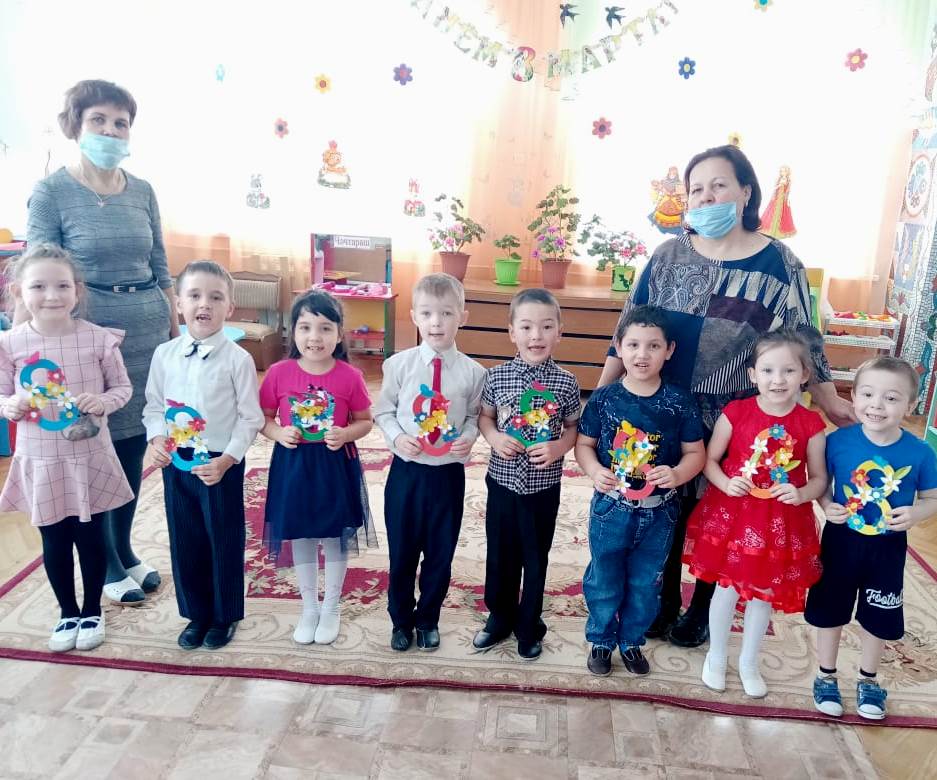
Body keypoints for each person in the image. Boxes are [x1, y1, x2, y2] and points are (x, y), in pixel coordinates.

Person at [598, 144, 854, 648]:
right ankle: (662, 601)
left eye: (718, 185)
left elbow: (804, 338)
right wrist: (604, 394)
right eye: (696, 189)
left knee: (723, 509)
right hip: (663, 406)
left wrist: (827, 399)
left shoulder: (779, 263)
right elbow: (628, 327)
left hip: (735, 414)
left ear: (745, 192)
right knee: (664, 499)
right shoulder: (668, 255)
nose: (706, 196)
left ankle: (702, 607)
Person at [25, 79, 179, 606]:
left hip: (147, 332)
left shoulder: (143, 190)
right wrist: (32, 347)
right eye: (99, 120)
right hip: (85, 340)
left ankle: (125, 549)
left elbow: (160, 264)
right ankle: (106, 562)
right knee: (96, 446)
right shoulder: (51, 193)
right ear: (76, 125)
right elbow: (39, 272)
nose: (111, 131)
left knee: (134, 443)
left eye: (120, 123)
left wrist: (173, 328)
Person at [0, 244, 135, 651]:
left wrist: (103, 402)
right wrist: (10, 405)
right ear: (19, 291)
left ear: (77, 290)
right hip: (41, 460)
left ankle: (92, 610)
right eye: (38, 286)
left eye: (62, 286)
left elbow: (122, 388)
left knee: (91, 538)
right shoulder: (10, 344)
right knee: (54, 541)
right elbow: (3, 394)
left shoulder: (97, 340)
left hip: (87, 457)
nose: (52, 295)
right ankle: (67, 612)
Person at [683, 330, 827, 697]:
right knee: (725, 590)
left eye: (788, 371)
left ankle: (749, 661)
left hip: (780, 523)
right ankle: (716, 656)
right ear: (753, 375)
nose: (778, 380)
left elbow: (819, 479)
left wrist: (801, 493)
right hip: (734, 517)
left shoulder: (811, 424)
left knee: (763, 594)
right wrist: (724, 482)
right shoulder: (736, 413)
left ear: (804, 374)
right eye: (768, 370)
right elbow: (710, 461)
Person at [806, 357, 937, 720]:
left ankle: (869, 679)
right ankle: (826, 675)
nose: (877, 405)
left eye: (891, 398)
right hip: (840, 541)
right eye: (867, 394)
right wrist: (826, 504)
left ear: (910, 405)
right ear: (853, 396)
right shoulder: (836, 442)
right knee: (830, 609)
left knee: (879, 614)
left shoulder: (920, 452)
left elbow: (932, 497)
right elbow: (820, 483)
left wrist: (916, 514)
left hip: (888, 547)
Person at [576, 305, 704, 676]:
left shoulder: (680, 402)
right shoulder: (604, 399)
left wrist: (677, 473)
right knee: (604, 576)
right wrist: (595, 470)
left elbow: (696, 453)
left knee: (646, 581)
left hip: (659, 511)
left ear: (669, 350)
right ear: (618, 347)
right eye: (633, 345)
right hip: (610, 508)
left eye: (653, 346)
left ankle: (632, 641)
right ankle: (601, 640)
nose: (642, 354)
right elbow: (583, 445)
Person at [143, 261, 263, 650]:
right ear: (179, 304)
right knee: (185, 536)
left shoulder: (238, 359)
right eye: (194, 295)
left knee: (222, 537)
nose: (204, 304)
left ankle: (224, 615)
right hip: (177, 459)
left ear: (230, 307)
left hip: (218, 461)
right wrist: (156, 439)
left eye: (215, 297)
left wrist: (228, 459)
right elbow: (154, 406)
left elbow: (250, 417)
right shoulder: (164, 354)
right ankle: (197, 613)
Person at [374, 273, 486, 652]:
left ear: (462, 317)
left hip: (447, 477)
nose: (436, 322)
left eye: (446, 313)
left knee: (440, 554)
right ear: (414, 316)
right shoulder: (398, 366)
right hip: (406, 474)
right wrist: (396, 437)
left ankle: (428, 619)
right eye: (427, 313)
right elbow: (384, 411)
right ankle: (400, 620)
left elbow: (473, 417)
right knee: (402, 553)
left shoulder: (474, 373)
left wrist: (468, 437)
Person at [259, 289, 376, 646]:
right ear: (293, 331)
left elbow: (365, 421)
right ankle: (309, 606)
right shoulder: (278, 373)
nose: (315, 336)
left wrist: (346, 433)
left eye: (325, 328)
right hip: (293, 466)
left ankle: (331, 606)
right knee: (302, 534)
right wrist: (279, 432)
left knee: (334, 534)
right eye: (306, 327)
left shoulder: (349, 377)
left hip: (334, 467)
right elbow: (263, 418)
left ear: (339, 334)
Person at [472, 288, 581, 660]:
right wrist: (494, 438)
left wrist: (558, 448)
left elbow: (573, 428)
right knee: (500, 553)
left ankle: (529, 624)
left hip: (543, 488)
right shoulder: (496, 377)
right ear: (512, 332)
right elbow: (485, 418)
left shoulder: (566, 382)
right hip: (502, 482)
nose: (536, 335)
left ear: (559, 333)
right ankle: (499, 617)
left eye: (546, 326)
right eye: (527, 327)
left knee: (535, 557)